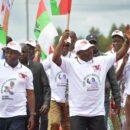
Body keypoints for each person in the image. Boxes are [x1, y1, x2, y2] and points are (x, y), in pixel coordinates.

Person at [52, 25, 130, 130]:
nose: (90, 51)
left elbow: (119, 55)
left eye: (91, 48)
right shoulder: (70, 64)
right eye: (86, 50)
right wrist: (61, 41)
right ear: (79, 53)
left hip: (97, 113)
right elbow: (55, 58)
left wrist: (127, 42)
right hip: (77, 114)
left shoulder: (102, 60)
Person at [86, 34, 121, 129]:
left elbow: (113, 81)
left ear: (97, 45)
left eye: (94, 43)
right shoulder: (82, 60)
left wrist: (118, 101)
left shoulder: (106, 59)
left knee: (102, 126)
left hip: (103, 100)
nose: (92, 45)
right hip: (87, 101)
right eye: (90, 43)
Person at [0, 41, 35, 130]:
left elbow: (30, 94)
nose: (8, 54)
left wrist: (31, 115)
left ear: (19, 55)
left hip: (18, 114)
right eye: (7, 51)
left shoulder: (27, 71)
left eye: (12, 52)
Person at [19, 42, 51, 130]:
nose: (21, 53)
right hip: (17, 109)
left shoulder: (38, 67)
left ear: (28, 52)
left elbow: (46, 86)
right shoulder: (12, 69)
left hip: (35, 108)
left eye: (23, 51)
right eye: (19, 51)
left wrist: (46, 103)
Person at [42, 39, 70, 130]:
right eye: (63, 44)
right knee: (54, 123)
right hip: (54, 98)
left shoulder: (74, 58)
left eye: (67, 45)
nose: (65, 47)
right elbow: (41, 68)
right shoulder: (51, 57)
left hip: (69, 100)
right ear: (59, 45)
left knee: (67, 126)